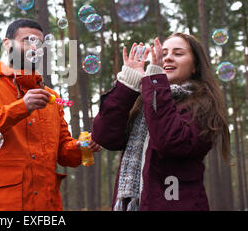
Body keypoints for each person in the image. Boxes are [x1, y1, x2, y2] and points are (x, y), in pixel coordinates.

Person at [0, 18, 102, 211]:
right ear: (7, 44)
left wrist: (82, 146)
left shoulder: (52, 98)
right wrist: (21, 107)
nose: (35, 47)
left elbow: (63, 153)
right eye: (27, 40)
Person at [92, 33, 230, 211]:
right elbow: (104, 136)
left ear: (195, 66)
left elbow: (170, 141)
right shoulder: (145, 100)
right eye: (163, 53)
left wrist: (155, 82)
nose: (168, 58)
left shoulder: (203, 105)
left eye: (178, 53)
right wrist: (128, 84)